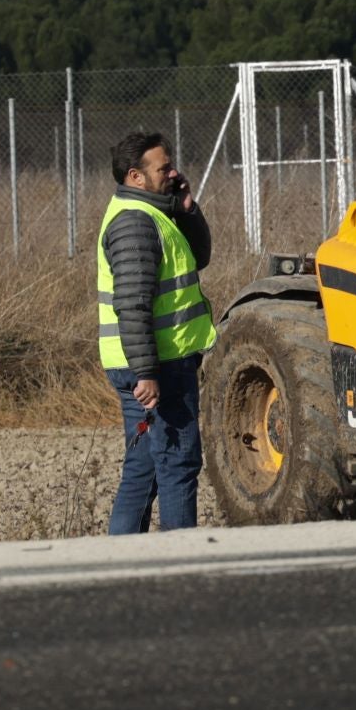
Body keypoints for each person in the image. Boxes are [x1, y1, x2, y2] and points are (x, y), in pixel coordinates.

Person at [98, 130, 217, 533]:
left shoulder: (155, 213)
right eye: (163, 167)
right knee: (178, 463)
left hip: (149, 363)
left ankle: (124, 562)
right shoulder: (135, 223)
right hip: (158, 366)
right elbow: (132, 304)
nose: (173, 172)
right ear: (135, 176)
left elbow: (199, 256)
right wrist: (147, 372)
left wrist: (187, 207)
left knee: (145, 465)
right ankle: (179, 565)